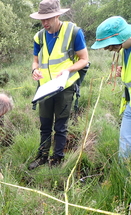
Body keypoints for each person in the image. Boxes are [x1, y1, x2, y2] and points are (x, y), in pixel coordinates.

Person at [28, 0, 89, 170]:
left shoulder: (74, 32)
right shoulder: (39, 36)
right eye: (42, 19)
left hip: (65, 87)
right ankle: (42, 156)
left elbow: (84, 59)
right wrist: (34, 71)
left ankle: (57, 160)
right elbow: (35, 61)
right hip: (45, 88)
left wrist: (68, 70)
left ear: (57, 15)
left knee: (61, 127)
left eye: (48, 19)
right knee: (45, 125)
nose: (45, 23)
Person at [91, 16, 131, 159]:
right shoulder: (124, 49)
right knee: (125, 143)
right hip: (129, 104)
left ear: (120, 38)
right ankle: (122, 177)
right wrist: (124, 73)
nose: (108, 49)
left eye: (109, 45)